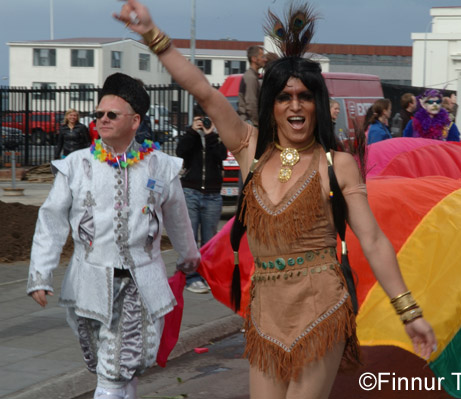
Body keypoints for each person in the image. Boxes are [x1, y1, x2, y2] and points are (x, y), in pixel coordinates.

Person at [115, 1, 436, 398]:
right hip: (265, 309)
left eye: (304, 96)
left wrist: (409, 311)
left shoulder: (338, 164)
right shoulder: (250, 148)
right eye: (285, 97)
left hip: (322, 305)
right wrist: (152, 36)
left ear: (318, 104)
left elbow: (371, 240)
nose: (296, 106)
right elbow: (201, 89)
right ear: (273, 105)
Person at [27, 72, 200, 399]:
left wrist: (190, 256)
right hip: (89, 283)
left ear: (135, 121)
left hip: (141, 285)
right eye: (99, 114)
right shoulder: (76, 165)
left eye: (112, 115)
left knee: (115, 369)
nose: (102, 120)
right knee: (117, 366)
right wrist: (40, 273)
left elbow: (177, 217)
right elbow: (52, 218)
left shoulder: (160, 166)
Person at [176, 107, 227, 294]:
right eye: (200, 119)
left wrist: (210, 134)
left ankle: (207, 276)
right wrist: (192, 131)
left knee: (210, 240)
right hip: (191, 192)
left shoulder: (217, 136)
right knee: (190, 238)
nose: (203, 122)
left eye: (207, 119)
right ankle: (191, 277)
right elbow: (181, 151)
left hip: (213, 195)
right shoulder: (190, 136)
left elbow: (221, 155)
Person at [238, 45, 267, 127]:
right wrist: (257, 124)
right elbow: (251, 103)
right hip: (250, 124)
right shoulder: (251, 77)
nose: (265, 59)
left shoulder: (253, 76)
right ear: (254, 59)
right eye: (262, 56)